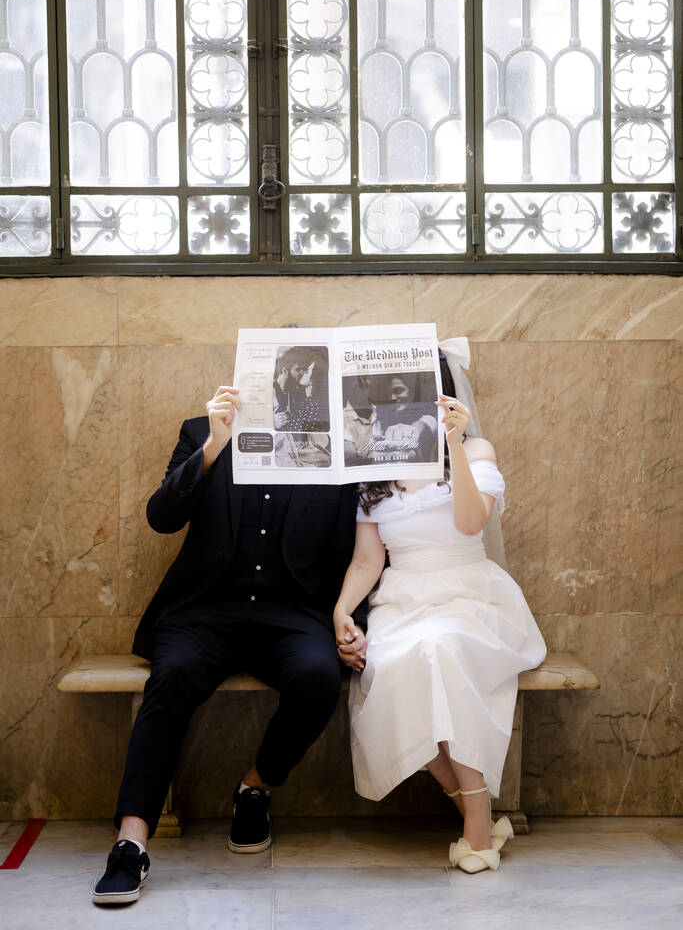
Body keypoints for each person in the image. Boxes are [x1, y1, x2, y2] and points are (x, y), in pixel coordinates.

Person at [92, 384, 366, 905]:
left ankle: (255, 789)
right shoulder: (202, 432)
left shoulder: (337, 450)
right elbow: (161, 517)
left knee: (318, 677)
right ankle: (130, 842)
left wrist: (352, 621)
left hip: (291, 614)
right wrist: (214, 447)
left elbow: (354, 550)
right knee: (171, 677)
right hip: (204, 610)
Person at [333, 357, 546, 874]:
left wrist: (453, 443)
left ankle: (477, 828)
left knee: (438, 652)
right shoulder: (373, 462)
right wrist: (341, 611)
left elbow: (472, 524)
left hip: (469, 593)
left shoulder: (476, 450)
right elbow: (367, 561)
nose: (399, 403)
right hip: (401, 599)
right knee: (392, 670)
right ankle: (477, 808)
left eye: (409, 391)